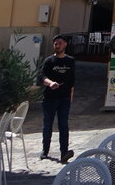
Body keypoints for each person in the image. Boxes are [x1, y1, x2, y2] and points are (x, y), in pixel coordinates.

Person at [39, 34, 75, 162]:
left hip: (64, 98)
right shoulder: (49, 61)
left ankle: (64, 152)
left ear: (65, 44)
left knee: (63, 125)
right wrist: (50, 83)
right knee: (47, 125)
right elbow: (42, 76)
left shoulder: (70, 61)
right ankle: (45, 150)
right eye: (55, 43)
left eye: (59, 43)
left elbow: (72, 81)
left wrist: (71, 97)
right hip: (50, 98)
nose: (57, 45)